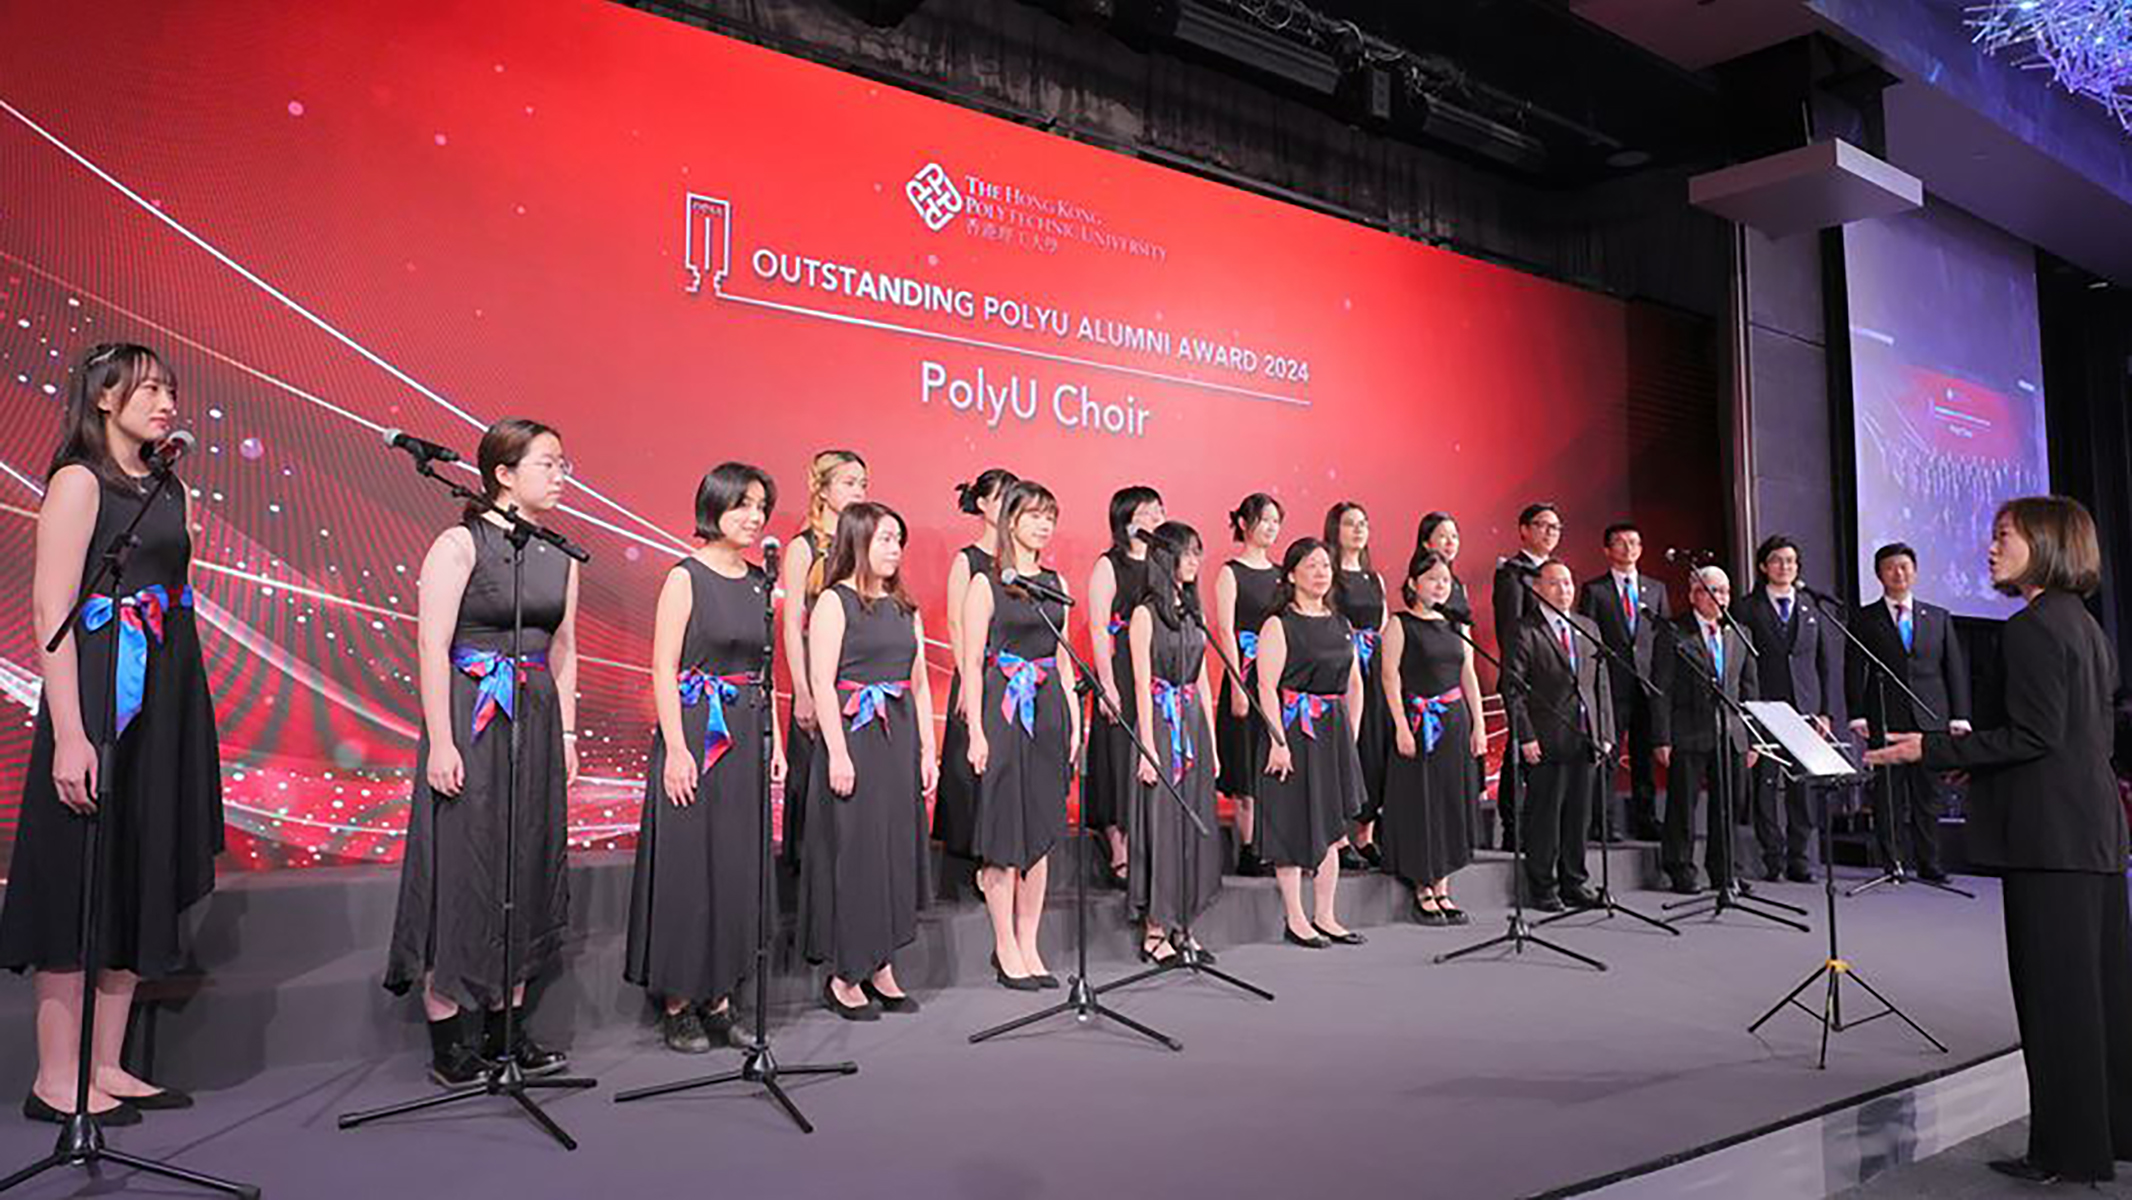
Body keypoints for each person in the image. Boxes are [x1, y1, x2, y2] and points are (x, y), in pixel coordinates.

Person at [1867, 497, 2132, 1186]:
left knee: (2054, 1003)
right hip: (2090, 831)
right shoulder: (2083, 625)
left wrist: (1923, 749)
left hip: (2048, 839)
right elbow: (2066, 736)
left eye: (2003, 537)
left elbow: (2033, 736)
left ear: (2044, 545)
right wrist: (1971, 751)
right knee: (2097, 996)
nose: (1990, 549)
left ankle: (2066, 1154)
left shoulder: (2032, 628)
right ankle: (2108, 1134)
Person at [0, 343, 222, 1123]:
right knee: (77, 873)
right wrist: (70, 733)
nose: (165, 402)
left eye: (169, 389)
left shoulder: (170, 487)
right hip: (96, 693)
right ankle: (55, 1077)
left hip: (162, 690)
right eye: (148, 389)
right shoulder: (77, 482)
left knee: (136, 865)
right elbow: (50, 613)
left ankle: (108, 1064)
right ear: (102, 397)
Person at [382, 417, 578, 1084]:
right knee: (465, 867)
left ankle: (507, 1030)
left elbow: (564, 651)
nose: (560, 476)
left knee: (525, 865)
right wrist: (442, 738)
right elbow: (432, 646)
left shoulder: (559, 553)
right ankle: (449, 1038)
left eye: (562, 465)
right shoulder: (459, 544)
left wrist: (571, 734)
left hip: (537, 717)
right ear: (503, 473)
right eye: (547, 464)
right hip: (473, 716)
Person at [624, 463, 785, 1054]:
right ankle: (678, 1002)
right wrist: (677, 749)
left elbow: (767, 674)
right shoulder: (684, 577)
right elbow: (663, 668)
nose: (753, 516)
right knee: (690, 862)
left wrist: (779, 746)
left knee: (736, 863)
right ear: (713, 507)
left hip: (745, 731)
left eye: (760, 505)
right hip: (694, 729)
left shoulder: (760, 582)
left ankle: (721, 997)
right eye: (741, 504)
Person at [802, 501, 937, 1019]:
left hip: (897, 738)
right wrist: (837, 752)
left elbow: (920, 685)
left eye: (898, 540)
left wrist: (927, 749)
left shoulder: (906, 606)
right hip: (854, 737)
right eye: (884, 538)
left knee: (892, 851)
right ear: (856, 540)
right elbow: (822, 680)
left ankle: (882, 963)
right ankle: (845, 972)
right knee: (855, 852)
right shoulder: (836, 601)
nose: (894, 548)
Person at [963, 481, 1078, 990]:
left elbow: (1061, 658)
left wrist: (1074, 720)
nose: (1042, 524)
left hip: (1050, 706)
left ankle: (1029, 943)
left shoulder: (1055, 582)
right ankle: (1003, 945)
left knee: (1041, 833)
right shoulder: (986, 582)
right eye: (1033, 515)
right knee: (1005, 829)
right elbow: (969, 663)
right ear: (1011, 520)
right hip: (1004, 707)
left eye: (1049, 516)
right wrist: (976, 734)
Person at [1254, 538, 1367, 948]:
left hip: (1332, 733)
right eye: (1312, 565)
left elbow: (1355, 683)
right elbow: (1266, 686)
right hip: (1293, 732)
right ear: (1291, 574)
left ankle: (1327, 915)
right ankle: (1296, 918)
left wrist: (1349, 732)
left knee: (1334, 827)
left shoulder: (1341, 624)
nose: (1321, 572)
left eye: (1325, 565)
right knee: (1291, 822)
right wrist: (1277, 740)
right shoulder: (1279, 624)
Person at [1126, 522, 1224, 961]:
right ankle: (1155, 928)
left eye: (1197, 554)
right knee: (1163, 823)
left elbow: (1202, 680)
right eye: (1186, 554)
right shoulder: (1145, 614)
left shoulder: (1193, 612)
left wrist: (1214, 746)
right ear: (1164, 559)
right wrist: (1147, 747)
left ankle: (1185, 924)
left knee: (1193, 824)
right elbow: (1142, 686)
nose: (1193, 562)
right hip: (1161, 728)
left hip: (1193, 725)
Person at [1845, 542, 1971, 882]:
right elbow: (1854, 669)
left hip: (1931, 718)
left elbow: (1954, 669)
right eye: (1890, 567)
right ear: (1878, 574)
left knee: (1928, 796)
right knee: (1888, 795)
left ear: (1914, 571)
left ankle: (1930, 863)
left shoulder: (1938, 616)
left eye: (1904, 567)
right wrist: (1857, 715)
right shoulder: (1865, 617)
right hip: (1886, 717)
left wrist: (1959, 716)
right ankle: (1893, 863)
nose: (1898, 573)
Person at [1378, 551, 1484, 925]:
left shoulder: (1457, 624)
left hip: (1454, 721)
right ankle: (1422, 887)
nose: (1440, 585)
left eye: (1445, 579)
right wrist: (1401, 727)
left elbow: (1468, 674)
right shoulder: (1399, 623)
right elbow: (1389, 678)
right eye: (1432, 579)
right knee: (1421, 800)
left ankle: (1444, 886)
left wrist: (1479, 725)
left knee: (1449, 799)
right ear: (1413, 584)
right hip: (1418, 721)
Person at [1504, 559, 1614, 913]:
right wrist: (1525, 736)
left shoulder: (1587, 626)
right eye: (1554, 583)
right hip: (1546, 737)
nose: (1564, 590)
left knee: (1578, 816)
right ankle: (1543, 886)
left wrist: (1605, 731)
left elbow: (1601, 684)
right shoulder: (1525, 630)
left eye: (1568, 583)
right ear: (1538, 589)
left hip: (1585, 737)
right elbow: (1512, 689)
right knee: (1545, 816)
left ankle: (1574, 882)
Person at [779, 450, 869, 874]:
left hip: (860, 680)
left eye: (862, 484)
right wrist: (802, 690)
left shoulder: (865, 542)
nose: (858, 491)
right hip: (819, 677)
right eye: (849, 483)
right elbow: (793, 625)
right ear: (824, 488)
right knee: (813, 780)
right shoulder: (804, 547)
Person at [1737, 535, 1843, 883]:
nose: (1786, 567)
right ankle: (1773, 856)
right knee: (1766, 785)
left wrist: (1825, 711)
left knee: (1803, 787)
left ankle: (1800, 857)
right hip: (1764, 708)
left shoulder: (1812, 607)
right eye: (1778, 560)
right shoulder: (1747, 608)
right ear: (1764, 566)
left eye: (1792, 561)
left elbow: (1824, 662)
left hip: (1805, 708)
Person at [1650, 567, 1757, 895]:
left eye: (1724, 591)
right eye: (1712, 591)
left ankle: (1725, 872)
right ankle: (1680, 868)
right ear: (1694, 594)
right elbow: (1661, 688)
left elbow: (1750, 690)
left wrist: (1753, 738)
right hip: (1688, 731)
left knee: (1729, 805)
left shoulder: (1740, 633)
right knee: (1683, 804)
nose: (1720, 598)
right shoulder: (1674, 632)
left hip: (1732, 733)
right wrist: (1662, 737)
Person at [934, 468, 1016, 882]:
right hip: (978, 670)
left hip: (1014, 680)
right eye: (1001, 498)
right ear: (982, 504)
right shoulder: (967, 560)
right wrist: (969, 680)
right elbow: (955, 622)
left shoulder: (1019, 562)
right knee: (973, 763)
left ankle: (1003, 852)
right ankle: (974, 859)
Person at [1086, 485, 1165, 888]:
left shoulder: (1161, 564)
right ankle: (1117, 843)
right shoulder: (1109, 564)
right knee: (1119, 753)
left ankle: (1144, 839)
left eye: (1158, 512)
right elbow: (1099, 627)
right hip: (1119, 666)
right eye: (1146, 512)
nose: (1154, 519)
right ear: (1124, 518)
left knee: (1147, 754)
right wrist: (1107, 684)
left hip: (1153, 668)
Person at [1577, 522, 1669, 842]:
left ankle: (1646, 819)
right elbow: (1586, 640)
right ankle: (1603, 822)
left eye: (1634, 542)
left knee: (1644, 756)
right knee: (1608, 755)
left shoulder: (1655, 589)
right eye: (1619, 542)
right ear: (1606, 550)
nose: (1628, 548)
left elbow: (1663, 639)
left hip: (1647, 686)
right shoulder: (1595, 589)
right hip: (1610, 686)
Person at [1216, 493, 1283, 876]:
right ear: (1243, 523)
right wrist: (1238, 683)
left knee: (1270, 759)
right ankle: (1248, 847)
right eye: (1264, 519)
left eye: (1277, 521)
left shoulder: (1279, 574)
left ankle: (1274, 842)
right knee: (1244, 766)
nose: (1271, 527)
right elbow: (1225, 629)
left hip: (1275, 679)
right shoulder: (1231, 572)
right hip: (1243, 674)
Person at [1327, 502, 1393, 872]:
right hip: (1341, 667)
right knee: (1344, 747)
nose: (1358, 530)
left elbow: (1381, 626)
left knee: (1373, 749)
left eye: (1364, 523)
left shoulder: (1374, 578)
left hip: (1374, 668)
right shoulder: (1328, 575)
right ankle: (1337, 836)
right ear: (1335, 529)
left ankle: (1365, 834)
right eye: (1351, 524)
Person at [1492, 502, 1561, 852]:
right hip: (1524, 677)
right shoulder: (1513, 573)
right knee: (1518, 751)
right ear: (1523, 529)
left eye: (1555, 527)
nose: (1550, 532)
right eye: (1542, 525)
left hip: (1555, 684)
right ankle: (1511, 828)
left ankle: (1541, 826)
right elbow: (1510, 628)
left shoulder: (1557, 574)